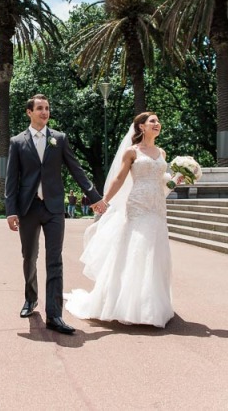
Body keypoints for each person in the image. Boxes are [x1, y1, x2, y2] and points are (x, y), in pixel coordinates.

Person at [5, 94, 106, 335]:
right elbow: (12, 179)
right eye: (39, 108)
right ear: (29, 112)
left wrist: (95, 197)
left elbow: (76, 169)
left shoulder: (59, 139)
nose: (44, 112)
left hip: (53, 208)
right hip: (28, 207)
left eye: (47, 108)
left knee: (55, 260)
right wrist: (11, 211)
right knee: (29, 257)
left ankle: (55, 315)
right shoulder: (17, 142)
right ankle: (31, 299)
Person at [66, 112, 175, 327]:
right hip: (138, 205)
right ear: (141, 127)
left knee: (157, 251)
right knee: (137, 249)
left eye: (158, 121)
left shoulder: (161, 152)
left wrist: (176, 180)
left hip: (157, 205)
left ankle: (151, 304)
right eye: (152, 121)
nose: (157, 124)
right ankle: (126, 304)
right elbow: (119, 178)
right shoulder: (132, 152)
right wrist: (104, 201)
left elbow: (163, 181)